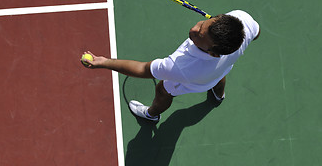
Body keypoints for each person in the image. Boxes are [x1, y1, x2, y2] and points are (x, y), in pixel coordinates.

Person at [81, 10, 260, 122]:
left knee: (163, 90)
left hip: (195, 80)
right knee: (219, 75)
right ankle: (218, 95)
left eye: (199, 37)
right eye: (201, 25)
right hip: (222, 68)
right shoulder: (241, 22)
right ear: (219, 18)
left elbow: (143, 69)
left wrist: (105, 62)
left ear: (213, 52)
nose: (193, 30)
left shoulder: (180, 67)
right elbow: (256, 33)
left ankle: (151, 114)